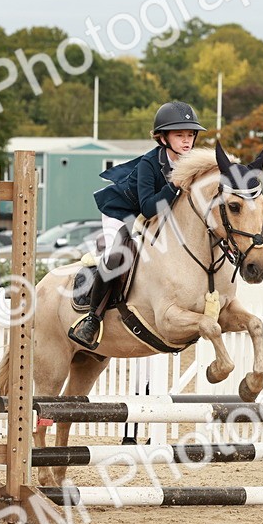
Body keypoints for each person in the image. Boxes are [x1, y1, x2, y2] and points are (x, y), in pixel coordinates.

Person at [68, 100, 206, 349]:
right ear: (163, 138)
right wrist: (174, 184)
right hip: (122, 212)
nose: (187, 141)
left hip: (156, 215)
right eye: (179, 135)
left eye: (190, 135)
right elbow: (147, 208)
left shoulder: (192, 162)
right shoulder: (149, 164)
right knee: (116, 255)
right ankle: (92, 319)